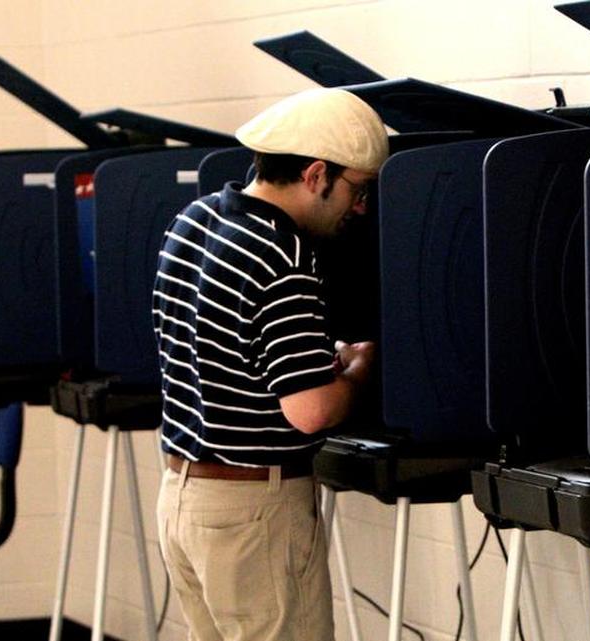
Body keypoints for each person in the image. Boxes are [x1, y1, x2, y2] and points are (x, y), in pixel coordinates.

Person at [152, 87, 389, 641]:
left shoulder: (193, 221)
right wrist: (356, 368)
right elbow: (311, 410)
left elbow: (223, 352)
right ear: (314, 174)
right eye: (357, 188)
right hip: (253, 512)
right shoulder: (281, 254)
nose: (361, 208)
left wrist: (310, 358)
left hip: (183, 498)